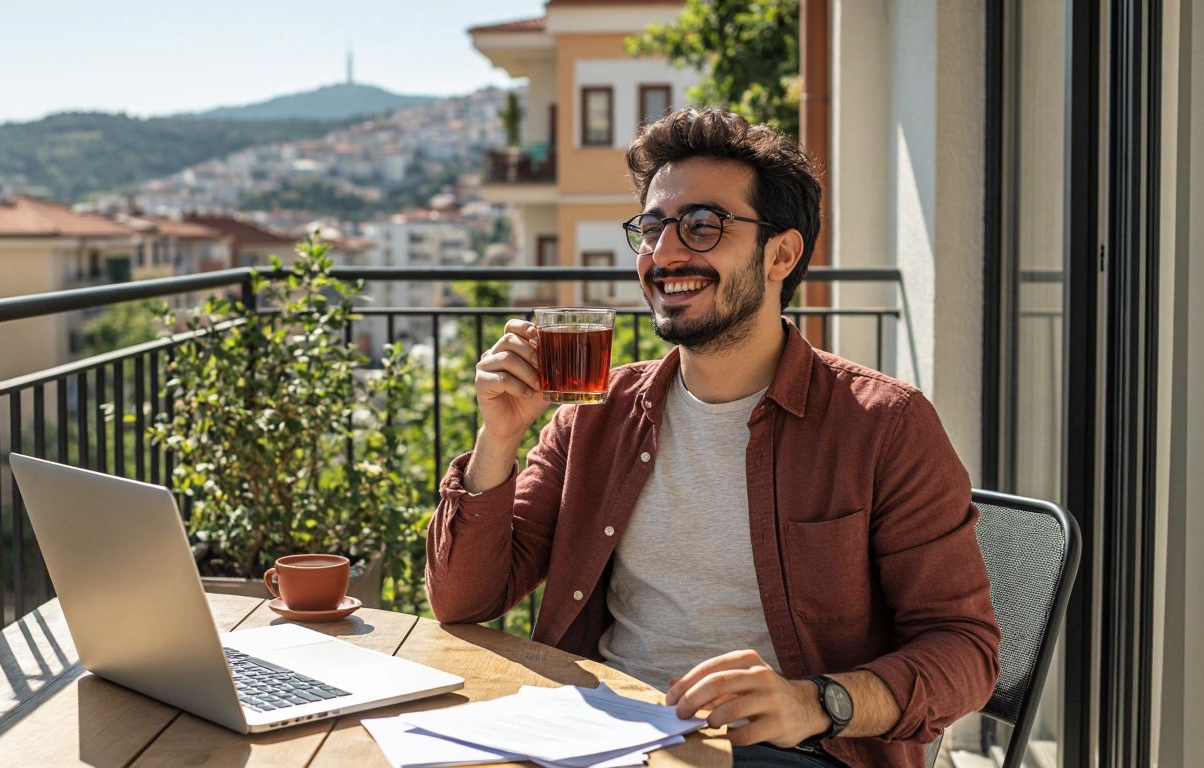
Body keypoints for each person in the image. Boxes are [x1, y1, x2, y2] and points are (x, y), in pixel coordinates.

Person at [425, 107, 999, 768]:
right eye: (651, 227)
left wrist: (815, 702)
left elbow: (964, 649)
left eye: (702, 226)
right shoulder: (595, 415)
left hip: (788, 750)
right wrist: (497, 441)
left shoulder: (883, 425)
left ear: (781, 253)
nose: (665, 253)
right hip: (600, 732)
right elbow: (465, 599)